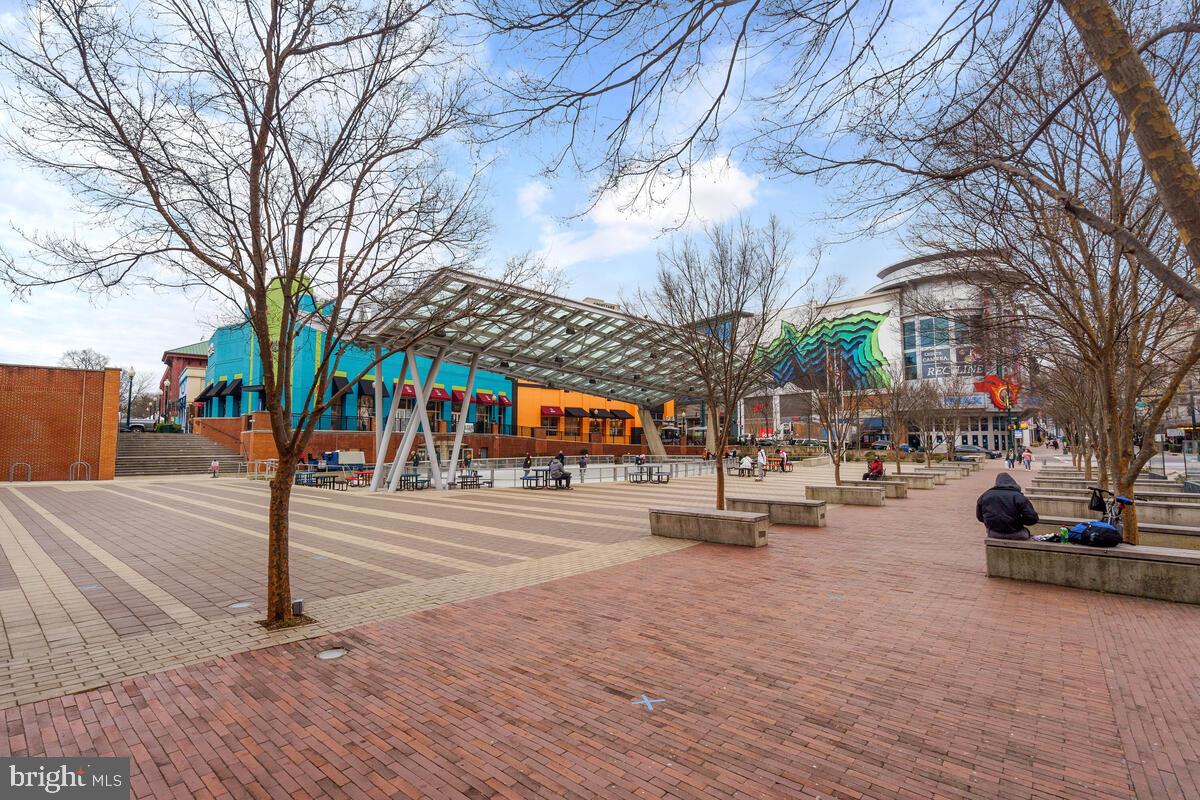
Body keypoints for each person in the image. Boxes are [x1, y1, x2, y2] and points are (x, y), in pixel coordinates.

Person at [976, 473, 1039, 540]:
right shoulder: (1018, 496)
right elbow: (1033, 518)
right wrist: (1019, 521)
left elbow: (980, 517)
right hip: (1017, 533)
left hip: (994, 533)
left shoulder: (985, 495)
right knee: (1027, 534)